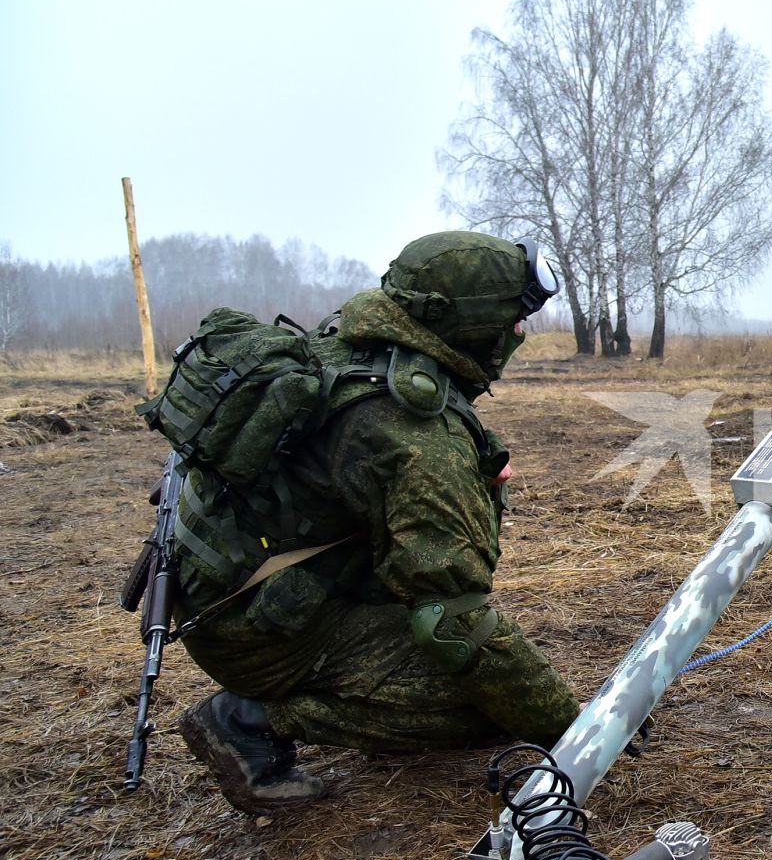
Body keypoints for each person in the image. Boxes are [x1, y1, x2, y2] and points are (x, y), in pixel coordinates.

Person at [171, 231, 580, 814]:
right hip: (259, 630)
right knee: (483, 703)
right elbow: (454, 616)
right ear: (467, 324)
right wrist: (571, 724)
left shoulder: (349, 344)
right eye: (512, 319)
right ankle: (248, 719)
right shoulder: (412, 431)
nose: (518, 333)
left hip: (224, 589)